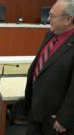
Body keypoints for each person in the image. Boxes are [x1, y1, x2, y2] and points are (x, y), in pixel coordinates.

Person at [24, 0, 74, 134]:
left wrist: (65, 118)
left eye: (52, 15)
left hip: (56, 121)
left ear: (68, 19)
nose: (47, 19)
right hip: (35, 112)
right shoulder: (50, 34)